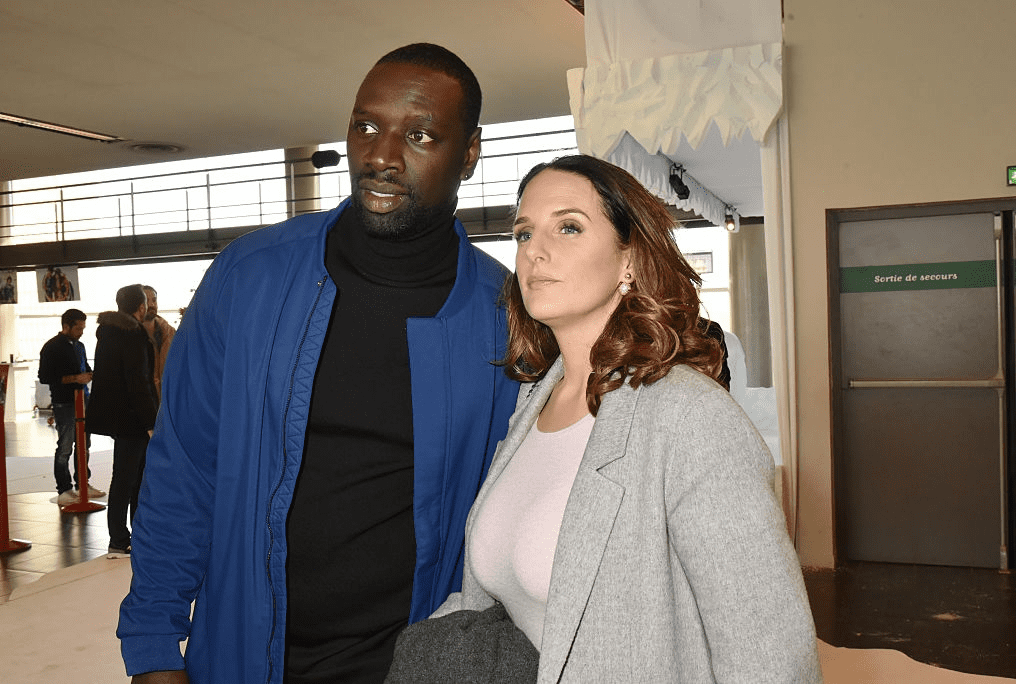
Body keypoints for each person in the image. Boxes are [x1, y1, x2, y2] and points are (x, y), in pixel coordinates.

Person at [117, 43, 520, 683]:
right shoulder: (248, 279)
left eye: (419, 135)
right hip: (247, 656)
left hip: (412, 664)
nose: (382, 156)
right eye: (366, 126)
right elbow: (183, 470)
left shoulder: (507, 320)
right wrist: (154, 647)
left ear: (469, 154)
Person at [388, 156, 823, 682]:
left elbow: (770, 654)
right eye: (524, 234)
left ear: (630, 260)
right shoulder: (531, 403)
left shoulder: (689, 418)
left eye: (568, 227)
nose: (534, 253)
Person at [86, 284, 158, 559]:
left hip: (121, 417)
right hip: (132, 419)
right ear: (139, 308)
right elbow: (137, 381)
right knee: (129, 479)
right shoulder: (131, 334)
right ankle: (119, 538)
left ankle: (134, 534)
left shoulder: (109, 331)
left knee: (132, 478)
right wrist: (150, 421)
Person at [37, 308, 104, 506]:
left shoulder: (80, 346)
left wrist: (90, 376)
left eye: (83, 328)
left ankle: (83, 484)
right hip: (65, 402)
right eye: (78, 328)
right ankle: (63, 488)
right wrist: (75, 378)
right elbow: (45, 377)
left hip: (83, 399)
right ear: (66, 326)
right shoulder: (51, 347)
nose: (81, 331)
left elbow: (85, 368)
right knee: (65, 445)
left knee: (84, 445)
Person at [140, 285, 175, 401]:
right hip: (142, 402)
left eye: (154, 300)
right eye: (146, 301)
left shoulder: (170, 332)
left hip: (168, 399)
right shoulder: (130, 335)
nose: (151, 305)